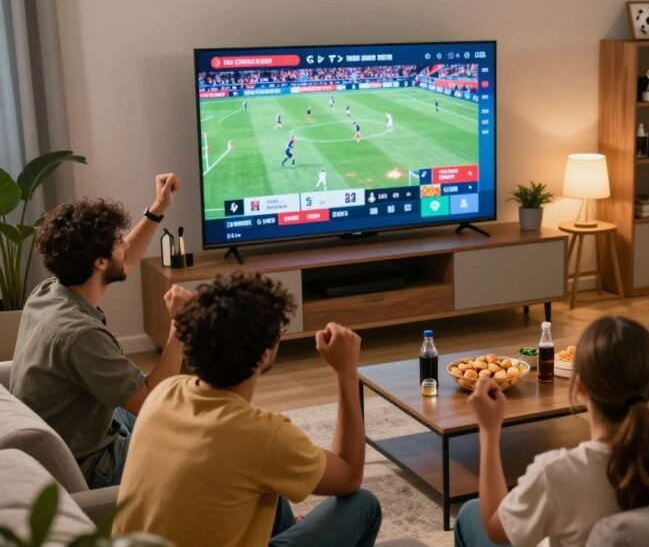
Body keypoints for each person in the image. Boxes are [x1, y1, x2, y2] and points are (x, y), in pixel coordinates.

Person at [113, 273, 381, 547]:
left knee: (267, 483)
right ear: (264, 354)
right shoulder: (263, 436)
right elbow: (349, 476)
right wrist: (346, 371)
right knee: (363, 505)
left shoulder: (164, 392)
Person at [453, 316, 649, 547]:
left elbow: (495, 530)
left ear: (580, 387)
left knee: (471, 514)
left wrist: (489, 429)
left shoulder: (557, 474)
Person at [9, 174, 186, 489]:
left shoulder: (49, 291)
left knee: (188, 424)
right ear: (101, 262)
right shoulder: (81, 335)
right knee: (215, 451)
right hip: (95, 464)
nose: (125, 245)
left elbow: (125, 261)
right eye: (118, 241)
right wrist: (181, 325)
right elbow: (152, 404)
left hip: (84, 431)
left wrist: (158, 209)